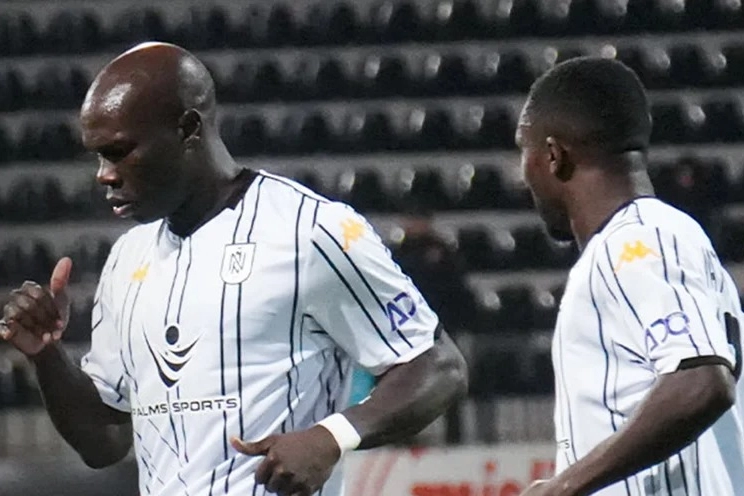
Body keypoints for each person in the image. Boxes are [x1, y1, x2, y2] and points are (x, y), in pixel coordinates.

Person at [0, 42, 468, 496]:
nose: (104, 173)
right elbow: (105, 444)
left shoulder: (309, 230)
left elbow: (439, 365)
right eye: (98, 156)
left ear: (188, 128)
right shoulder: (127, 258)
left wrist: (331, 437)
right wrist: (46, 356)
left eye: (119, 151)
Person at [515, 57, 744, 495]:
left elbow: (701, 380)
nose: (522, 172)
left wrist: (563, 487)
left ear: (553, 156)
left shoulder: (637, 241)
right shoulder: (647, 239)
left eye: (523, 150)